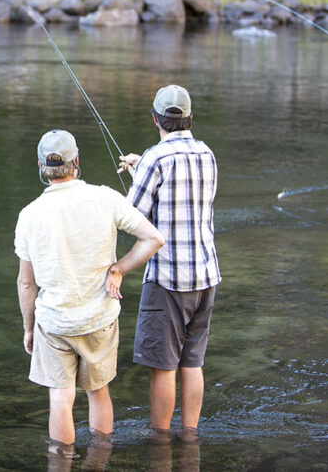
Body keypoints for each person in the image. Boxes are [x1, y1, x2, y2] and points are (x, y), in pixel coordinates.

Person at [15, 129, 165, 462]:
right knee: (98, 394)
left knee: (60, 399)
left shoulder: (29, 215)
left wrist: (28, 328)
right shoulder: (105, 197)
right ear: (77, 162)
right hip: (99, 319)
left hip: (53, 324)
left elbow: (27, 284)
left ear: (41, 166)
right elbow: (153, 239)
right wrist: (119, 269)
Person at [117, 84, 221, 444]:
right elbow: (183, 199)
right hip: (206, 276)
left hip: (168, 279)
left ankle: (160, 444)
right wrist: (141, 168)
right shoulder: (207, 154)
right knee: (192, 363)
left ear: (155, 119)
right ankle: (190, 438)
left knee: (163, 366)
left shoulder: (156, 159)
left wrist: (141, 170)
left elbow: (132, 217)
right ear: (190, 118)